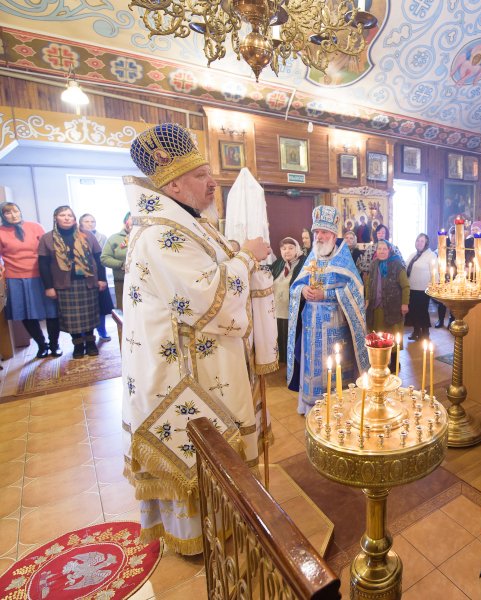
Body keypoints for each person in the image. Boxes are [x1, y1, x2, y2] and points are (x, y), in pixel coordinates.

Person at [122, 123, 275, 555]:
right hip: (183, 373)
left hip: (205, 362)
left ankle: (225, 523)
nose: (213, 182)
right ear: (173, 184)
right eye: (201, 175)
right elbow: (208, 297)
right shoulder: (162, 234)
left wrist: (238, 254)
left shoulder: (189, 222)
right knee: (197, 454)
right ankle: (199, 539)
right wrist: (247, 256)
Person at [288, 205, 370, 414]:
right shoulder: (312, 257)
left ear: (333, 235)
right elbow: (295, 286)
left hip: (336, 326)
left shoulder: (343, 259)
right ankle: (310, 407)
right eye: (316, 232)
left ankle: (336, 407)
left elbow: (355, 291)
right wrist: (303, 290)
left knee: (334, 369)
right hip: (311, 327)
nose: (319, 236)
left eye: (323, 232)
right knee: (312, 367)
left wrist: (326, 294)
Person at [38, 206, 106, 359]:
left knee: (90, 315)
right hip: (64, 284)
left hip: (87, 282)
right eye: (63, 215)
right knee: (71, 319)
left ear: (74, 219)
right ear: (55, 218)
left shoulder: (87, 234)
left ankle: (90, 343)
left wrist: (102, 279)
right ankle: (78, 345)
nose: (67, 218)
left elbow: (98, 257)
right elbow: (43, 264)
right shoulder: (47, 238)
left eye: (70, 215)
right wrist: (49, 287)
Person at [0, 201, 61, 358]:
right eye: (8, 213)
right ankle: (42, 345)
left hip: (41, 275)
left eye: (15, 211)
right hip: (15, 278)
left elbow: (49, 249)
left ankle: (54, 344)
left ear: (20, 211)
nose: (13, 215)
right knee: (26, 314)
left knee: (51, 311)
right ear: (3, 216)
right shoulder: (1, 231)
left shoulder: (35, 227)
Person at [366, 241, 410, 363]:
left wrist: (405, 303)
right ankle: (380, 361)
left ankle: (395, 362)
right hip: (376, 306)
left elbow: (405, 286)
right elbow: (369, 283)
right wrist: (367, 299)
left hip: (393, 307)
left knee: (393, 334)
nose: (381, 251)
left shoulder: (397, 264)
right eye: (379, 249)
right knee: (379, 335)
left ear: (389, 250)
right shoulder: (374, 264)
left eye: (384, 249)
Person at [80, 213, 114, 342]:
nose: (90, 224)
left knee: (100, 306)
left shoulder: (102, 237)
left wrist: (102, 279)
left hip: (99, 274)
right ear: (80, 223)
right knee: (84, 308)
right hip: (82, 276)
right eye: (87, 221)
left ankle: (102, 331)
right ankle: (85, 335)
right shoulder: (76, 236)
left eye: (92, 221)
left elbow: (103, 258)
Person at [271, 237, 303, 362]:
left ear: (297, 249)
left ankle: (291, 364)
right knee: (279, 337)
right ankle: (281, 361)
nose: (287, 251)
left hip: (293, 310)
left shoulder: (303, 264)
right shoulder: (278, 264)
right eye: (283, 249)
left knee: (291, 339)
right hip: (277, 309)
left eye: (290, 248)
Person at [406, 233, 436, 342]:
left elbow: (435, 272)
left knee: (422, 311)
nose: (419, 243)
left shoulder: (431, 255)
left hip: (423, 289)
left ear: (426, 243)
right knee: (413, 310)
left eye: (422, 241)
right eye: (418, 240)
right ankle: (416, 331)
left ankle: (425, 333)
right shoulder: (413, 254)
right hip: (411, 288)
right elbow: (405, 267)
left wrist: (434, 286)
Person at [101, 213, 132, 309]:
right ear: (125, 222)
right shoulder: (114, 238)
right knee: (124, 310)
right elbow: (104, 258)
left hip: (145, 281)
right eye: (132, 219)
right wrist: (121, 264)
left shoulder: (146, 237)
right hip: (122, 281)